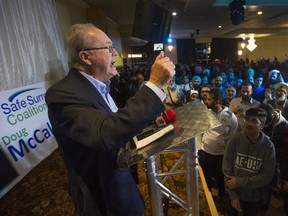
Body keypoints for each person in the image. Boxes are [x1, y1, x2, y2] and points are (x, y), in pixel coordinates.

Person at [45, 23, 175, 216]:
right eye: (108, 48)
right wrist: (154, 85)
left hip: (122, 187)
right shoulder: (62, 94)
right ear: (85, 57)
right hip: (101, 199)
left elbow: (119, 122)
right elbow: (106, 134)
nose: (116, 54)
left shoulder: (103, 85)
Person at [222, 108, 276, 216]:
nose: (249, 123)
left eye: (254, 121)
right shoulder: (235, 140)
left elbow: (267, 176)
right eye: (247, 119)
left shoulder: (268, 146)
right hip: (233, 191)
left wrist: (239, 181)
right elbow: (227, 169)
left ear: (262, 126)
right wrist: (233, 196)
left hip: (253, 196)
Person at [199, 88, 238, 201]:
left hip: (222, 155)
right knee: (206, 178)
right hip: (205, 153)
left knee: (221, 178)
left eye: (209, 99)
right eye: (205, 99)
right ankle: (207, 197)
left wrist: (228, 152)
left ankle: (222, 196)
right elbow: (199, 132)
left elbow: (233, 135)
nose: (206, 101)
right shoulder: (205, 114)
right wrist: (199, 149)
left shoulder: (230, 116)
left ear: (217, 101)